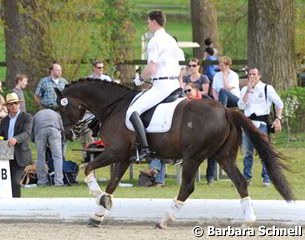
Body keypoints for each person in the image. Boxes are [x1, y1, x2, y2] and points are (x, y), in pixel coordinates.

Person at [126, 10, 181, 161]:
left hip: (162, 86)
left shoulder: (154, 41)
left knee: (132, 111)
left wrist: (139, 80)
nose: (147, 25)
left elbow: (151, 68)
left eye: (148, 22)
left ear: (155, 22)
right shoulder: (171, 39)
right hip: (175, 83)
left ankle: (145, 150)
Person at [237, 67, 283, 187]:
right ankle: (247, 177)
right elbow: (241, 105)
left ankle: (266, 178)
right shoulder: (245, 89)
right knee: (248, 152)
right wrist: (248, 90)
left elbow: (279, 103)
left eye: (254, 74)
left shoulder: (267, 88)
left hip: (261, 124)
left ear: (259, 76)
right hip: (248, 124)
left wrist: (278, 119)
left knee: (264, 152)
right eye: (250, 74)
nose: (252, 76)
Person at [0, 93, 33, 197]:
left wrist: (16, 139)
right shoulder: (4, 120)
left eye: (16, 103)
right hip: (6, 156)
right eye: (11, 104)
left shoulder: (26, 117)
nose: (14, 106)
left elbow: (27, 133)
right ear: (8, 106)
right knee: (6, 182)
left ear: (19, 104)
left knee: (15, 181)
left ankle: (17, 204)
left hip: (20, 155)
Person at [183, 83, 216, 184]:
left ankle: (210, 177)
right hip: (190, 135)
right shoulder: (184, 104)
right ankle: (189, 179)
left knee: (213, 150)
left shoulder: (207, 100)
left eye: (189, 90)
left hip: (205, 132)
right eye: (185, 92)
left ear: (196, 90)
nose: (187, 93)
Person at [32, 109, 65, 186]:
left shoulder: (37, 114)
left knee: (41, 157)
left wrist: (34, 140)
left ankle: (42, 181)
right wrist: (62, 141)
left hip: (40, 130)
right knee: (57, 157)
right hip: (54, 129)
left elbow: (32, 130)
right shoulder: (56, 114)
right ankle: (59, 181)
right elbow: (62, 129)